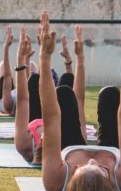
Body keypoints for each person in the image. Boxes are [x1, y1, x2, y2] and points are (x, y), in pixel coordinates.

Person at [39, 10, 121, 191]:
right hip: (114, 150)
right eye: (101, 169)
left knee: (64, 96)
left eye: (84, 166)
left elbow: (51, 118)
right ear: (110, 181)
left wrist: (44, 58)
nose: (90, 159)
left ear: (75, 171)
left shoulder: (55, 181)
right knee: (111, 96)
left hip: (70, 146)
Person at [11, 25, 89, 163]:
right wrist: (79, 58)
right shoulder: (74, 148)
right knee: (64, 89)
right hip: (66, 136)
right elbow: (79, 100)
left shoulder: (27, 145)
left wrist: (22, 59)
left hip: (42, 125)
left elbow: (23, 100)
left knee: (36, 80)